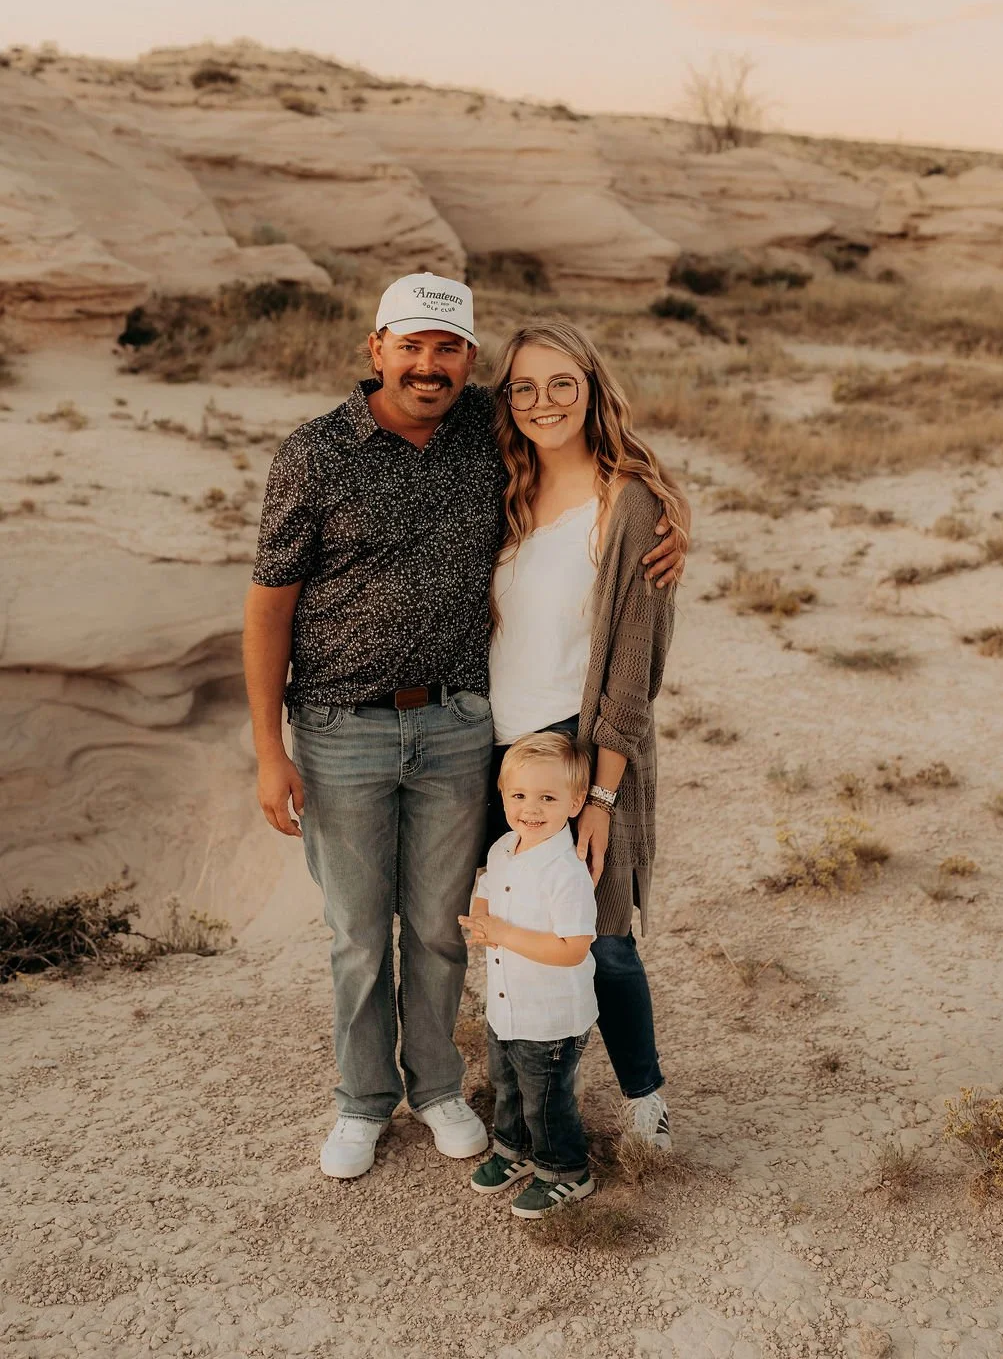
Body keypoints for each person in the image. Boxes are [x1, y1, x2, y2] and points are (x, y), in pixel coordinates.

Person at [243, 273, 685, 1182]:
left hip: (510, 737)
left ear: (468, 360)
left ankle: (515, 1091)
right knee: (394, 931)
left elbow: (593, 449)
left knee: (526, 927)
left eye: (447, 349)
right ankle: (387, 1102)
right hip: (401, 735)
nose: (428, 365)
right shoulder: (349, 451)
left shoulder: (544, 458)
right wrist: (267, 749)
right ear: (376, 349)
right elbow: (267, 608)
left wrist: (676, 516)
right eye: (410, 345)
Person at [487, 319, 689, 1151]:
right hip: (494, 746)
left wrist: (601, 793)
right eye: (526, 387)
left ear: (593, 387)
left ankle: (646, 1099)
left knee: (602, 934)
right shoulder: (498, 487)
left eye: (562, 383)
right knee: (520, 924)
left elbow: (632, 668)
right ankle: (538, 1100)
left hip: (579, 744)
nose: (545, 403)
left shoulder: (629, 501)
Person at [459, 731, 598, 1218]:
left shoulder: (566, 871)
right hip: (507, 1004)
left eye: (547, 797)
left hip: (552, 1015)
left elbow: (573, 950)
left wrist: (504, 932)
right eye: (519, 795)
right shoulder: (503, 849)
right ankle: (513, 1151)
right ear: (502, 794)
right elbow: (486, 887)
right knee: (507, 1082)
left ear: (576, 801)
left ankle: (565, 1171)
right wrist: (481, 919)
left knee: (545, 1097)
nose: (531, 809)